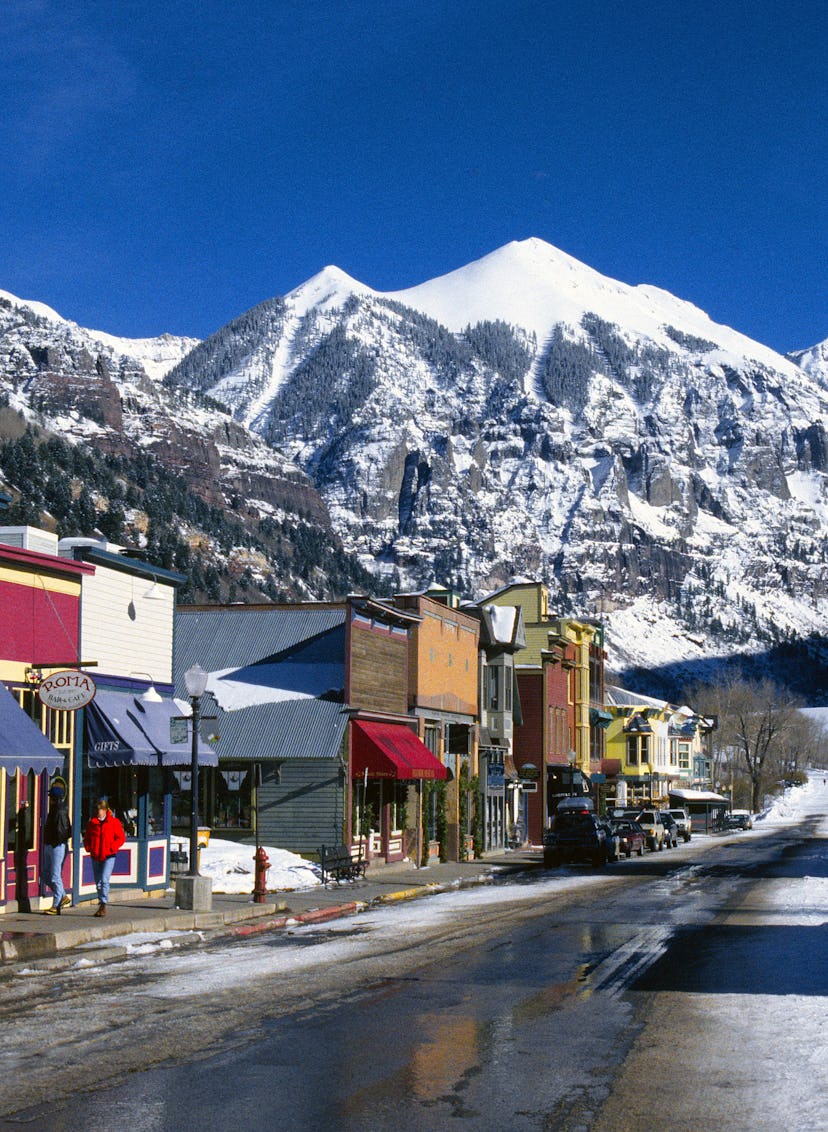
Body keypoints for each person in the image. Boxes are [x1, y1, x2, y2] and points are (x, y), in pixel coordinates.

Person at [83, 798, 126, 916]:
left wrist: (112, 847)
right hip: (96, 855)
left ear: (106, 810)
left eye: (101, 809)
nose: (99, 812)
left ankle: (103, 904)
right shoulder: (92, 823)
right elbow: (87, 838)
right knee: (98, 882)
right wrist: (89, 847)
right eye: (97, 809)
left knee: (104, 879)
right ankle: (101, 901)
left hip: (109, 855)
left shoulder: (114, 822)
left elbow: (121, 838)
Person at [42, 783, 72, 915]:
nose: (49, 799)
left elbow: (64, 830)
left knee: (54, 876)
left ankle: (56, 905)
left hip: (57, 846)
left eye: (51, 797)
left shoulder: (60, 810)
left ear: (54, 797)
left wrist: (55, 841)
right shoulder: (54, 809)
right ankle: (63, 896)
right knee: (45, 875)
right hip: (50, 844)